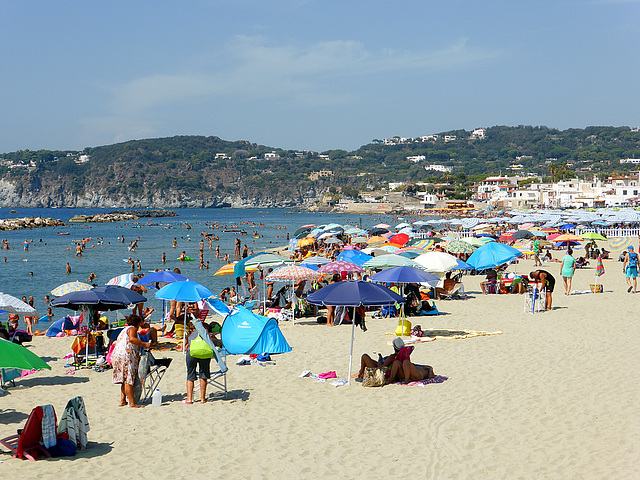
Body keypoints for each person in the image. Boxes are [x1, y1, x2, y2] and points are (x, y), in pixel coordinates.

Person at [111, 314, 151, 408]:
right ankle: (132, 403)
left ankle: (122, 400)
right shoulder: (132, 329)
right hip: (126, 357)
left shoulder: (124, 330)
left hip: (118, 356)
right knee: (128, 380)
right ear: (137, 323)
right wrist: (144, 344)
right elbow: (132, 339)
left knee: (123, 379)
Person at [354, 337, 434, 384]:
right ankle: (360, 372)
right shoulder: (402, 356)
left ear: (394, 347)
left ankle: (360, 373)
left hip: (382, 372)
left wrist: (379, 360)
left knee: (365, 356)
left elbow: (381, 367)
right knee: (366, 358)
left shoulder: (393, 357)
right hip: (390, 370)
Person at [184, 321, 213, 404]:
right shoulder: (205, 332)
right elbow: (210, 343)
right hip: (204, 353)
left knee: (190, 375)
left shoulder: (189, 335)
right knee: (203, 374)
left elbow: (185, 346)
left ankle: (189, 399)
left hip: (192, 353)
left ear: (191, 329)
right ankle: (203, 399)